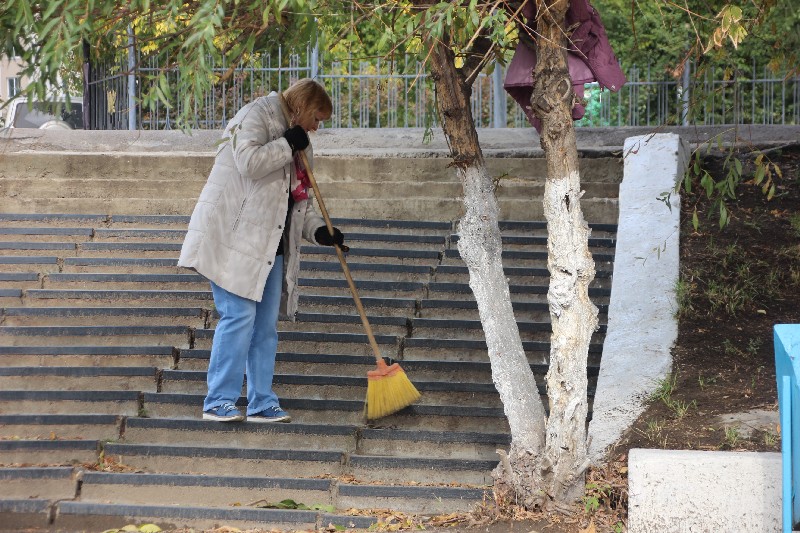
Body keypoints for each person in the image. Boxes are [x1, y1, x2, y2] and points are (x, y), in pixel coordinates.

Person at [178, 78, 347, 423]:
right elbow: (248, 162)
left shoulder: (300, 141)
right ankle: (218, 401)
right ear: (301, 105)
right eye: (316, 117)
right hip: (232, 238)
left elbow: (299, 199)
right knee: (238, 317)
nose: (317, 127)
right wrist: (287, 143)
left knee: (265, 326)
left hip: (272, 244)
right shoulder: (255, 115)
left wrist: (321, 232)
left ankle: (261, 402)